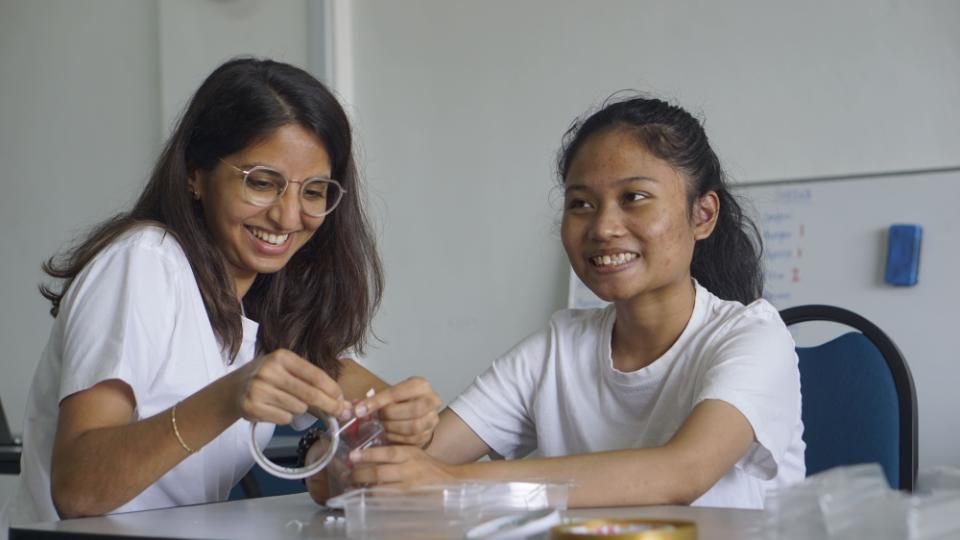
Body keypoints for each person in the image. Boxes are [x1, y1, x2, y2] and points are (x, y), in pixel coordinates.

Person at [1, 58, 440, 532]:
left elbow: (372, 406)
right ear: (196, 174)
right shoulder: (145, 262)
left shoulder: (269, 297)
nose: (288, 217)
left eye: (313, 191)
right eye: (262, 182)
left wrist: (406, 420)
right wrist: (230, 396)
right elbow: (78, 490)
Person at [331, 96, 805, 509]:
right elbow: (423, 459)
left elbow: (682, 472)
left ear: (703, 215)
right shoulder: (561, 344)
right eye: (581, 204)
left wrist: (451, 482)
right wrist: (337, 436)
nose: (603, 228)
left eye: (634, 197)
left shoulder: (754, 336)